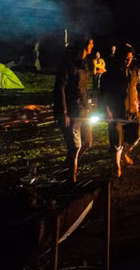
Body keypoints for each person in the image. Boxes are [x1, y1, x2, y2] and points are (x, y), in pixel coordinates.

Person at [101, 45, 140, 178]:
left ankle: (125, 153)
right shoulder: (110, 74)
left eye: (130, 58)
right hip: (117, 112)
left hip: (133, 110)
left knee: (136, 135)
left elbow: (139, 86)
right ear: (119, 57)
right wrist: (107, 110)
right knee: (116, 141)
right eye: (126, 58)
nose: (128, 60)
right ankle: (117, 165)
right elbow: (103, 94)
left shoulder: (134, 70)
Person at [53, 38, 94, 182]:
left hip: (83, 109)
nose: (93, 45)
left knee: (87, 142)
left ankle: (67, 166)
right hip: (71, 110)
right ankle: (72, 179)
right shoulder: (68, 63)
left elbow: (83, 88)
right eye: (91, 43)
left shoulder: (84, 63)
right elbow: (60, 88)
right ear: (84, 45)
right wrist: (64, 112)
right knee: (75, 146)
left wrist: (88, 106)